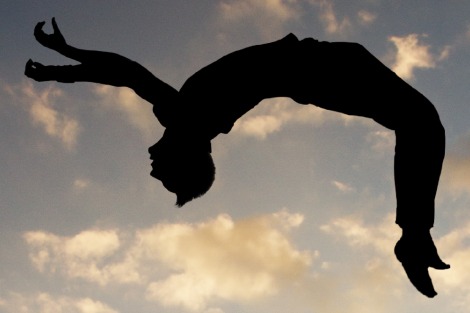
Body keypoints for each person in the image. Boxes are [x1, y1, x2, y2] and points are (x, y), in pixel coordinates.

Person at [25, 18, 449, 298]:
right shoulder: (187, 120)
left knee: (420, 122)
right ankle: (413, 233)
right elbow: (126, 71)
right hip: (317, 67)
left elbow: (126, 74)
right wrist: (64, 61)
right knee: (421, 122)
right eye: (165, 177)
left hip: (319, 66)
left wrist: (64, 64)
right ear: (187, 157)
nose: (151, 169)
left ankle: (413, 232)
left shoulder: (179, 116)